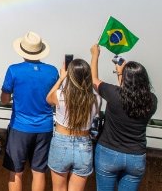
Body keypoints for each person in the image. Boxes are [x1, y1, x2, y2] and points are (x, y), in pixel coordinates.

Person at [90, 44, 157, 191]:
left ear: (125, 79)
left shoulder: (114, 95)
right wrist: (121, 74)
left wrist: (95, 55)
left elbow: (94, 79)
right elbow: (128, 98)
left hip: (108, 152)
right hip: (136, 158)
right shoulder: (152, 101)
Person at [0, 32, 59, 191]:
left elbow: (4, 99)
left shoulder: (14, 70)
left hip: (19, 128)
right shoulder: (53, 71)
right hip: (45, 128)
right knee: (39, 172)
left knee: (16, 172)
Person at [45, 58, 97, 191]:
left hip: (61, 143)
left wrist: (61, 78)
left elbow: (48, 98)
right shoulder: (95, 100)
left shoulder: (60, 95)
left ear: (70, 76)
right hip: (84, 145)